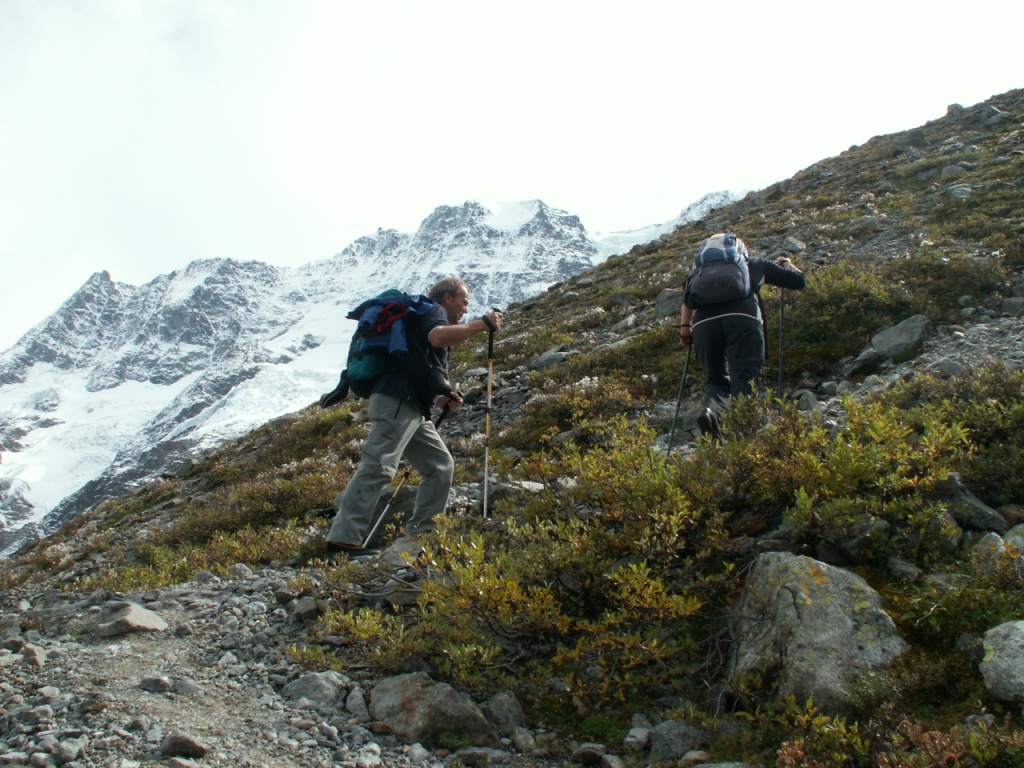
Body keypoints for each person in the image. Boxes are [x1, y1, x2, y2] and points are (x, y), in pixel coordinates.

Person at [325, 277, 503, 559]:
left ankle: (422, 537)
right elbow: (437, 337)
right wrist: (481, 325)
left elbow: (419, 365)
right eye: (464, 302)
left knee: (440, 465)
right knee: (379, 465)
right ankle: (341, 543)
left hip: (412, 406)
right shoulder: (434, 310)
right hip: (397, 401)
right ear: (447, 297)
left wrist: (440, 397)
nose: (466, 309)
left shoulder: (423, 317)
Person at [678, 237, 805, 438]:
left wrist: (685, 329)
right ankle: (743, 435)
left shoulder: (699, 272)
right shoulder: (754, 264)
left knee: (716, 379)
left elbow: (687, 299)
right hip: (743, 320)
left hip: (704, 325)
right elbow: (798, 281)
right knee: (744, 377)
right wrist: (787, 263)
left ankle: (709, 411)